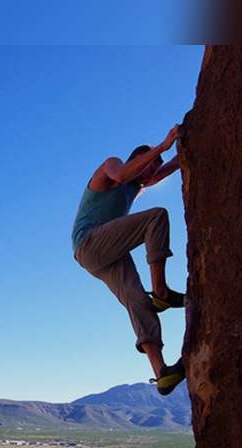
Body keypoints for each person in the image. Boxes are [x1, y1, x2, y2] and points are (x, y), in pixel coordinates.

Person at [72, 125, 187, 395]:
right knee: (156, 217)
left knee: (137, 302)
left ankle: (162, 374)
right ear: (138, 159)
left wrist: (179, 156)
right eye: (149, 165)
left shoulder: (136, 186)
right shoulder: (113, 165)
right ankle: (161, 291)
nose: (152, 173)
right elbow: (124, 174)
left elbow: (159, 174)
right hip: (90, 243)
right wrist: (162, 146)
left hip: (104, 254)